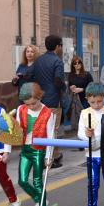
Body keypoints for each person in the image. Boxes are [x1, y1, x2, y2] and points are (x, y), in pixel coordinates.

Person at [16, 82, 56, 206]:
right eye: (28, 104)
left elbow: (51, 136)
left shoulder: (48, 113)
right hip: (25, 149)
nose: (31, 106)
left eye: (34, 103)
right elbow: (18, 130)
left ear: (39, 97)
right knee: (22, 180)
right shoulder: (21, 109)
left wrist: (48, 156)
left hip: (39, 150)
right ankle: (41, 199)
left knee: (38, 182)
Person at [32, 35, 65, 168]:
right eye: (61, 46)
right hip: (53, 100)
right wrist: (65, 87)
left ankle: (55, 155)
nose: (61, 48)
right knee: (52, 129)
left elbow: (30, 76)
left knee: (43, 129)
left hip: (40, 100)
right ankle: (51, 158)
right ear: (58, 47)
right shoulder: (57, 61)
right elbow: (58, 80)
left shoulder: (38, 60)